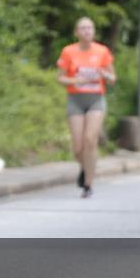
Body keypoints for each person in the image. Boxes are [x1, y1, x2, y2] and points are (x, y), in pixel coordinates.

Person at [56, 17, 115, 198]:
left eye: (90, 28)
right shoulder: (68, 52)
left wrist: (105, 74)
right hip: (75, 99)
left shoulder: (102, 51)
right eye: (82, 28)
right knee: (78, 147)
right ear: (76, 32)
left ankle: (88, 184)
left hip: (96, 99)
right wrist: (76, 80)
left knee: (90, 140)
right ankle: (85, 166)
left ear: (94, 31)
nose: (87, 31)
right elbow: (60, 77)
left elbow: (113, 79)